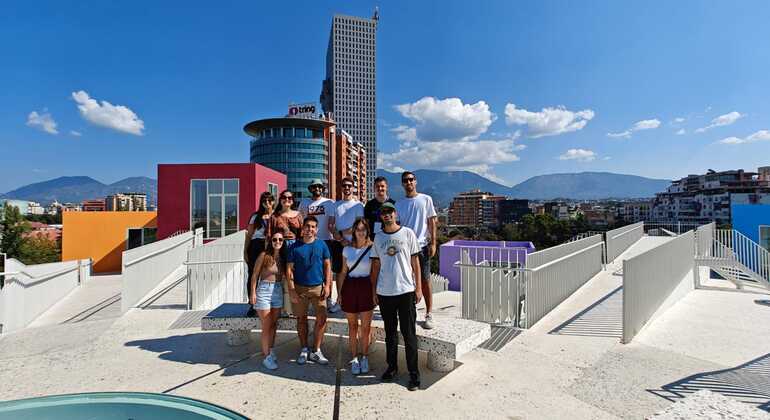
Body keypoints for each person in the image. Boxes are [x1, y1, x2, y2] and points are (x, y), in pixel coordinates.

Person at [370, 202, 422, 391]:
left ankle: (414, 374)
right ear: (381, 216)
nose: (387, 215)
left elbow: (415, 262)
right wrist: (373, 291)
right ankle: (392, 368)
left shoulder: (408, 233)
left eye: (390, 212)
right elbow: (375, 266)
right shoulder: (378, 237)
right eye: (384, 212)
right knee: (390, 333)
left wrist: (418, 288)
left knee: (409, 334)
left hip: (406, 290)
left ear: (395, 213)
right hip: (385, 292)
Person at [286, 216, 332, 366]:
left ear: (316, 230)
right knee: (301, 319)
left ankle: (316, 350)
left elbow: (328, 266)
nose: (310, 229)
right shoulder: (294, 247)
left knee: (322, 319)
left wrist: (328, 286)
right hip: (300, 288)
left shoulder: (322, 245)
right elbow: (289, 270)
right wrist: (292, 290)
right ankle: (304, 349)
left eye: (313, 227)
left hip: (318, 288)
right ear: (303, 228)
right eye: (307, 226)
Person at [395, 171, 437, 329]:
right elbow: (397, 226)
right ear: (402, 183)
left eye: (411, 179)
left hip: (422, 246)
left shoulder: (426, 199)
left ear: (415, 181)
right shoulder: (399, 204)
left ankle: (429, 313)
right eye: (405, 180)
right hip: (405, 248)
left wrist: (434, 243)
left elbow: (432, 222)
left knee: (425, 280)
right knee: (407, 280)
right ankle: (409, 311)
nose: (409, 182)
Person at [337, 218, 375, 376]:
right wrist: (339, 293)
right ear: (354, 231)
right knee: (352, 326)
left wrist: (375, 293)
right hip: (350, 287)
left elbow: (374, 273)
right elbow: (343, 272)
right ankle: (354, 357)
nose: (361, 232)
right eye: (358, 229)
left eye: (363, 229)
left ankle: (365, 356)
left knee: (366, 327)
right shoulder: (347, 250)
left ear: (367, 231)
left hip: (366, 286)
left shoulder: (373, 248)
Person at [299, 179, 340, 312]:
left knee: (327, 270)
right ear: (310, 189)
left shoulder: (329, 203)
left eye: (319, 186)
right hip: (309, 240)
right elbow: (300, 221)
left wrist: (337, 235)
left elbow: (332, 222)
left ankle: (327, 298)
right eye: (314, 187)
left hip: (326, 240)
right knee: (309, 268)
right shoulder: (304, 203)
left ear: (322, 188)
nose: (317, 189)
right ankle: (310, 297)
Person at [249, 231, 285, 370]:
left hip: (278, 290)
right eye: (275, 239)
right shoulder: (264, 255)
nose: (277, 242)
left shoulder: (282, 257)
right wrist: (253, 293)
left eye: (280, 240)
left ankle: (270, 349)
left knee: (274, 324)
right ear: (270, 241)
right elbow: (254, 275)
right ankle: (266, 357)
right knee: (267, 325)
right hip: (264, 290)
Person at [244, 191, 274, 317]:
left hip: (271, 245)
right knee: (253, 274)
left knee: (269, 275)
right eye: (264, 201)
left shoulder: (276, 216)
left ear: (273, 202)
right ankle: (253, 304)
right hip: (256, 245)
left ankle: (269, 302)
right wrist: (245, 251)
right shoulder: (256, 216)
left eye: (269, 200)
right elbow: (249, 235)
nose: (267, 203)